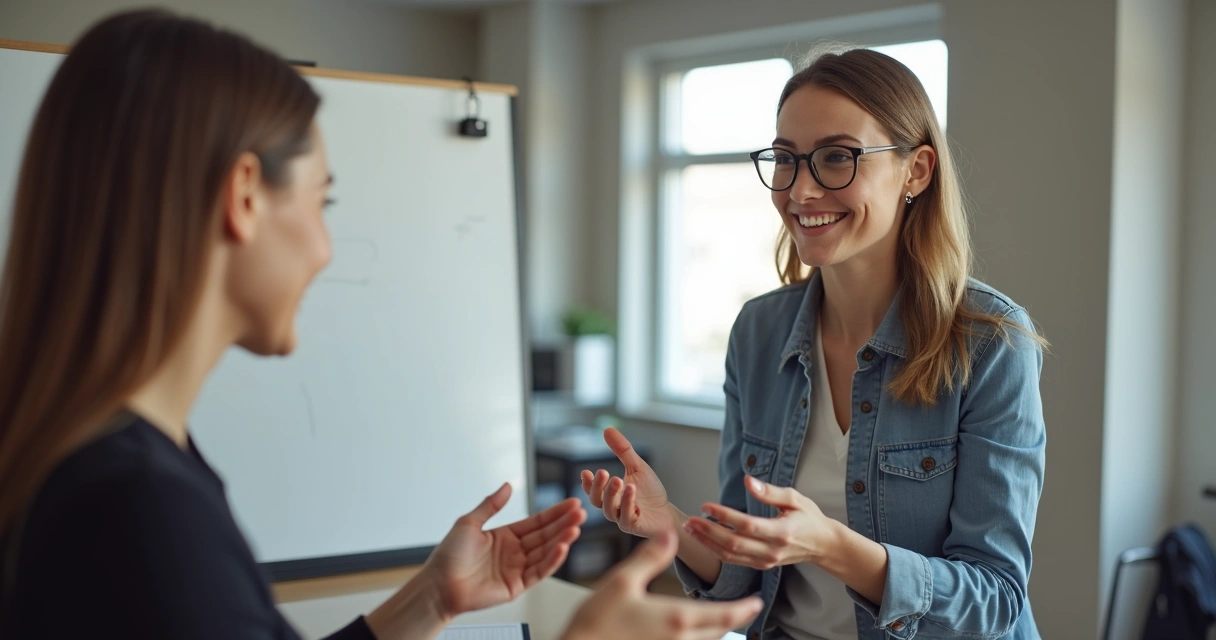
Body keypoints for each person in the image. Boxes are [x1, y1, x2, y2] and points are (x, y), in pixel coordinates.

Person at [0, 10, 762, 640]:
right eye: (322, 203)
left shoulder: (110, 457)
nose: (326, 250)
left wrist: (429, 601)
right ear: (243, 198)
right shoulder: (135, 507)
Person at [583, 47, 1047, 640]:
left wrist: (831, 545)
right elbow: (746, 577)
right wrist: (667, 522)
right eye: (785, 160)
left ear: (917, 171)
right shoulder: (757, 333)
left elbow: (994, 598)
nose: (800, 191)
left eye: (836, 158)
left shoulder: (990, 345)